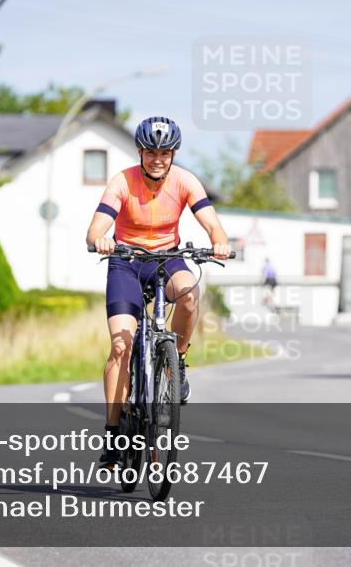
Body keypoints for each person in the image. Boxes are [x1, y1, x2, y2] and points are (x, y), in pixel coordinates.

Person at [85, 116, 231, 469]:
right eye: (151, 152)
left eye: (165, 153)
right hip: (126, 262)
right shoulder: (122, 182)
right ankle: (113, 433)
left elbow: (212, 223)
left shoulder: (185, 181)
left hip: (167, 260)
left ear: (173, 154)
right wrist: (100, 239)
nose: (157, 159)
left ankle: (176, 362)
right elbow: (95, 229)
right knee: (121, 346)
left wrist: (219, 242)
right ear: (140, 152)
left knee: (190, 295)